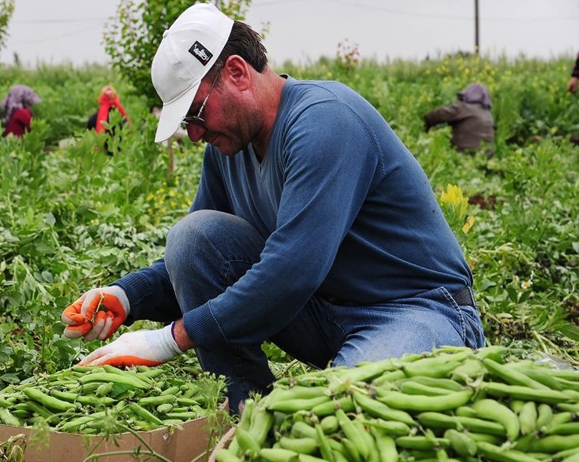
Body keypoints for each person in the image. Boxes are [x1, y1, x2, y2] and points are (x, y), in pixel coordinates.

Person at [61, 4, 484, 412]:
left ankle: (322, 397)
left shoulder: (323, 122)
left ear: (237, 73)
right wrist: (126, 296)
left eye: (195, 115)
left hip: (416, 311)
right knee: (193, 236)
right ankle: (244, 405)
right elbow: (194, 260)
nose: (194, 135)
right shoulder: (227, 149)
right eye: (186, 124)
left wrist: (172, 339)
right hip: (324, 314)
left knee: (341, 410)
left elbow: (290, 270)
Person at [424, 83, 495, 156]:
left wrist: (424, 122)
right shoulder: (487, 114)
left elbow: (438, 115)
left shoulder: (463, 108)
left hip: (465, 154)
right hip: (487, 156)